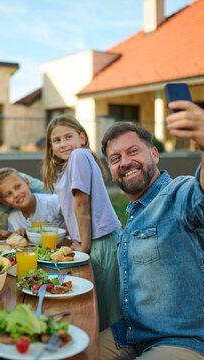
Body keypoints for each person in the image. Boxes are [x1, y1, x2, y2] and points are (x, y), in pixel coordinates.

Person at [99, 101, 204, 359]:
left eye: (133, 152)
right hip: (136, 334)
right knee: (70, 351)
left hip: (194, 341)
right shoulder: (137, 210)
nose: (125, 162)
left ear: (154, 154)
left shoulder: (176, 193)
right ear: (110, 170)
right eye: (115, 158)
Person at [43, 114, 122, 331]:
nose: (63, 144)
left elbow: (82, 205)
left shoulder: (78, 156)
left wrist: (84, 245)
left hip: (100, 242)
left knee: (107, 310)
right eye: (56, 140)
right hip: (89, 241)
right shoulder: (65, 169)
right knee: (96, 306)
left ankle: (116, 351)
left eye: (68, 136)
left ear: (82, 138)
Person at [0, 167, 65, 236]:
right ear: (5, 202)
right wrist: (21, 235)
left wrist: (59, 233)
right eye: (9, 194)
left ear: (27, 183)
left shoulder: (52, 201)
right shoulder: (13, 220)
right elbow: (16, 245)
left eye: (18, 187)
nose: (16, 194)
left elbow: (74, 223)